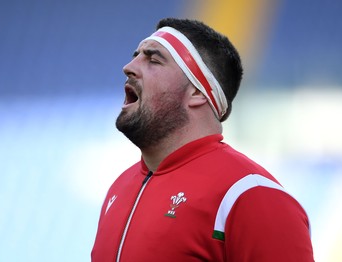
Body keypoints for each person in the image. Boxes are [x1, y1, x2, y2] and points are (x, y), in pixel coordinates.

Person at [91, 18, 314, 261]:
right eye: (136, 56)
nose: (128, 67)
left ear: (197, 91)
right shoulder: (120, 186)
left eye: (153, 60)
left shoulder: (249, 194)